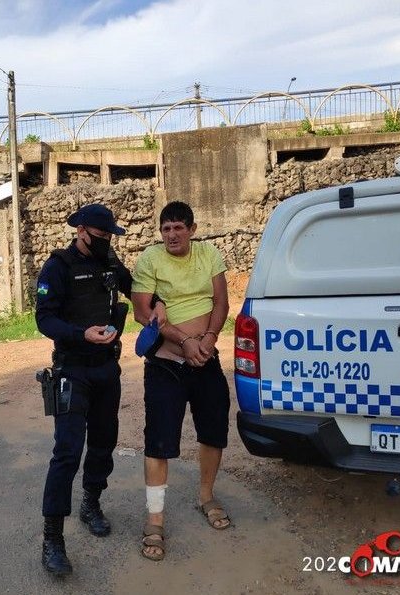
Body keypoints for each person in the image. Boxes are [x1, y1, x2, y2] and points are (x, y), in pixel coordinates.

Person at [35, 203, 164, 576]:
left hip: (106, 368)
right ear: (81, 232)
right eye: (100, 237)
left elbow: (135, 291)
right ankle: (52, 538)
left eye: (110, 237)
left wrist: (158, 305)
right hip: (71, 369)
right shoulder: (58, 266)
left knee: (105, 440)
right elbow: (44, 318)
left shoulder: (109, 261)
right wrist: (80, 334)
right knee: (67, 451)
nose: (106, 243)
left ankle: (91, 502)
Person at [130, 200, 232, 562]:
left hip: (205, 359)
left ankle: (206, 496)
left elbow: (221, 301)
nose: (171, 234)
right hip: (165, 365)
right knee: (158, 442)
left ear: (191, 229)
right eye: (166, 228)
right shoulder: (150, 260)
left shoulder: (209, 254)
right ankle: (154, 518)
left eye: (178, 227)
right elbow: (142, 311)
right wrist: (183, 341)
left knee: (213, 432)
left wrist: (208, 340)